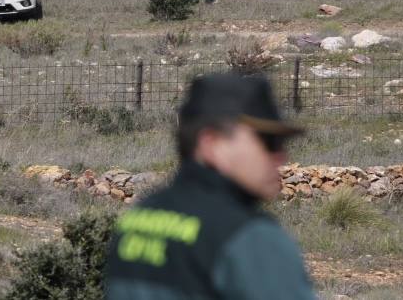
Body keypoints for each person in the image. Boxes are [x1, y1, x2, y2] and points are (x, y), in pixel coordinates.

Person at [106, 73, 316, 300]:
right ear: (212, 144)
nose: (281, 157)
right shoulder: (251, 237)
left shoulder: (140, 217)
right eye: (268, 142)